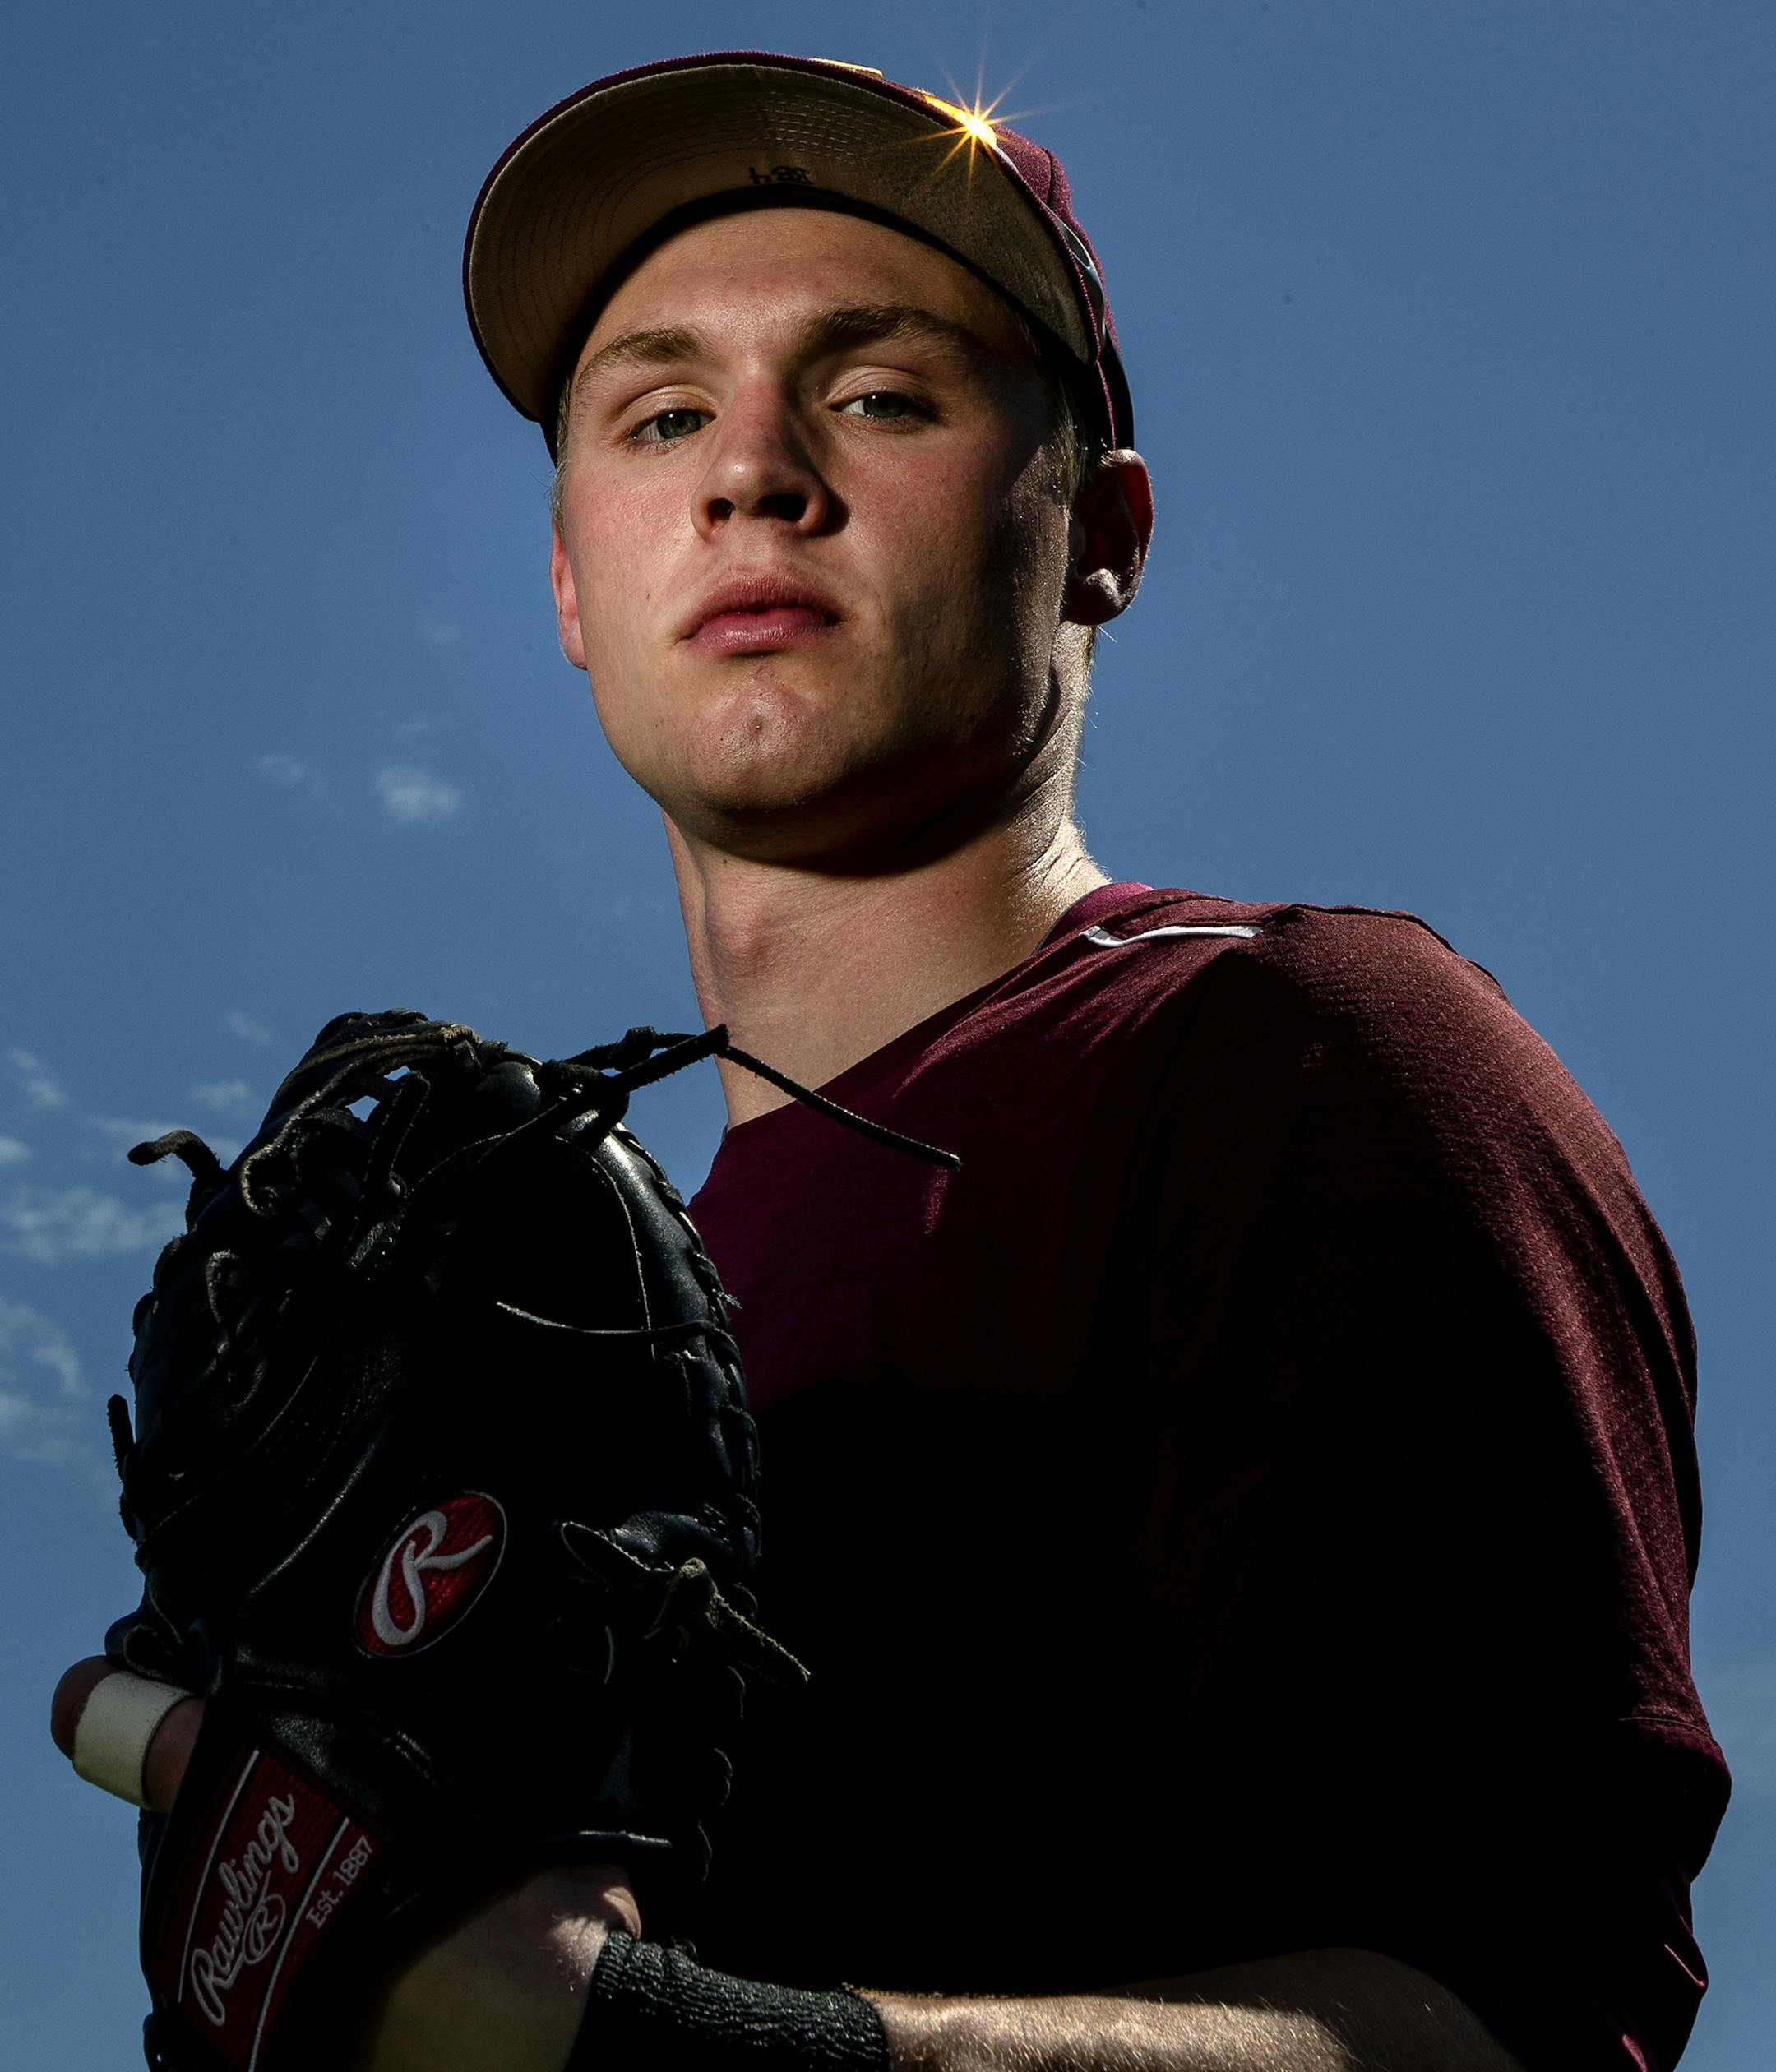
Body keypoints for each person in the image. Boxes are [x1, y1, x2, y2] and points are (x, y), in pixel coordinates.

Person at [52, 51, 1727, 2072]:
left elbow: (1536, 2017)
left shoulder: (1294, 1054)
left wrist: (640, 2048)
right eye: (663, 414)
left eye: (879, 395)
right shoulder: (557, 1319)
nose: (752, 472)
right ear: (574, 586)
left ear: (1099, 532)